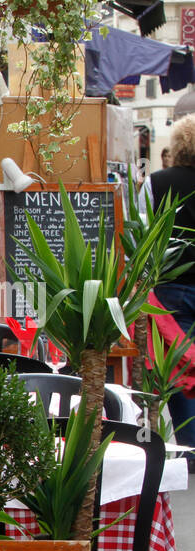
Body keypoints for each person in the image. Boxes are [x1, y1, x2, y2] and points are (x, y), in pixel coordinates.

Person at [144, 115, 195, 463]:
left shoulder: (158, 182)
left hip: (172, 285)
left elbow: (142, 232)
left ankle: (189, 445)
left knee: (180, 364)